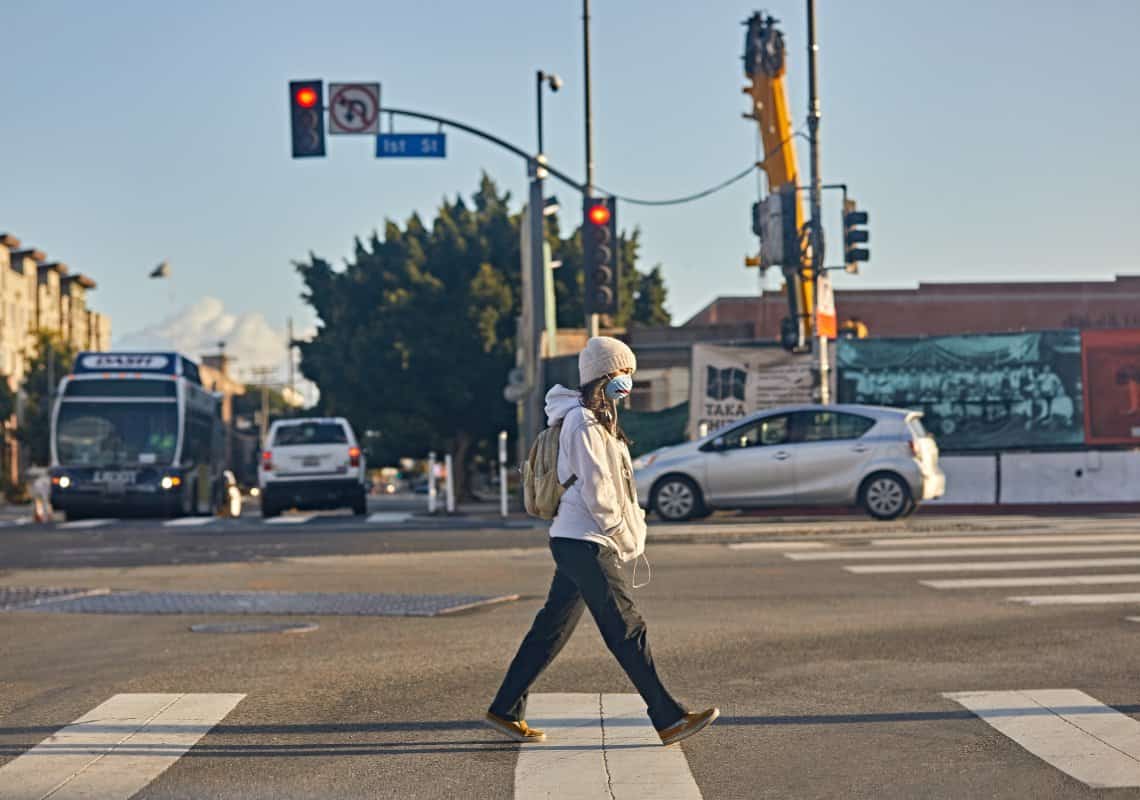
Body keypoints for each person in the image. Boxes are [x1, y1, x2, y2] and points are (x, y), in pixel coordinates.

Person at [485, 337, 719, 746]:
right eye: (624, 372)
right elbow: (598, 489)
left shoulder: (598, 419)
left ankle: (504, 709)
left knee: (551, 630)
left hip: (579, 539)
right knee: (627, 627)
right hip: (586, 540)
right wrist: (618, 533)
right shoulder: (581, 422)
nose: (629, 380)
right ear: (605, 375)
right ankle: (667, 716)